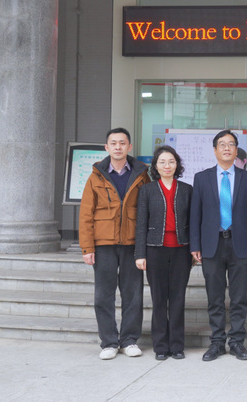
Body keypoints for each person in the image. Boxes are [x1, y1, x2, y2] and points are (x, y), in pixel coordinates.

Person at [79, 127, 150, 360]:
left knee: (133, 294)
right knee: (103, 295)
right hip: (103, 244)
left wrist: (145, 246)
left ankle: (129, 340)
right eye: (113, 143)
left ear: (129, 146)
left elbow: (148, 211)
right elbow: (86, 214)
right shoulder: (95, 177)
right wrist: (87, 248)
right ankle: (109, 342)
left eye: (122, 143)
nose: (118, 147)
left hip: (132, 243)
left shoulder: (141, 175)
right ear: (106, 147)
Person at [190, 130, 247, 362]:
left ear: (236, 150)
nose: (227, 148)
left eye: (231, 144)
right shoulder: (202, 178)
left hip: (240, 245)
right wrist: (195, 245)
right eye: (222, 144)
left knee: (239, 297)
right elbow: (195, 215)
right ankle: (217, 343)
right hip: (211, 245)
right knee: (215, 297)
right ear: (215, 150)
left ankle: (237, 342)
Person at [135, 145, 193, 361]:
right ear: (156, 166)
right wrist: (140, 254)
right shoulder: (147, 190)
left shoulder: (187, 190)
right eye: (162, 162)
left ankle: (177, 345)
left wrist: (194, 250)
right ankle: (160, 346)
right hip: (154, 250)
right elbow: (141, 224)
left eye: (171, 161)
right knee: (158, 298)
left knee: (177, 298)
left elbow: (193, 222)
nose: (167, 166)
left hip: (181, 250)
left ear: (177, 165)